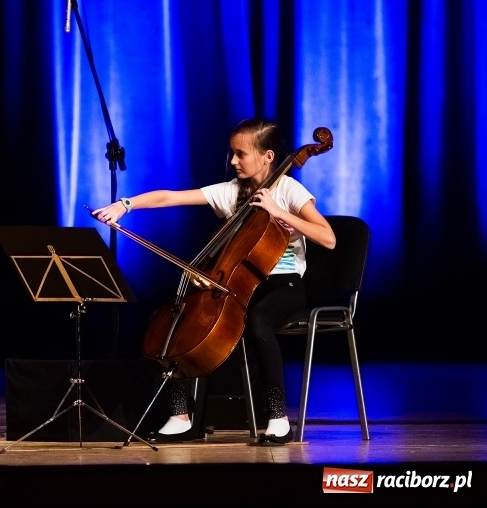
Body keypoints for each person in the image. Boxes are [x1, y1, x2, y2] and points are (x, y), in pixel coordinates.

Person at [91, 118, 336, 445]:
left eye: (241, 154)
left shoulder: (290, 190)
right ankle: (180, 416)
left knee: (258, 323)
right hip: (237, 283)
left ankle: (278, 417)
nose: (233, 161)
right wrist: (125, 205)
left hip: (283, 283)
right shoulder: (231, 192)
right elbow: (170, 198)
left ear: (267, 157)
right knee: (173, 321)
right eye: (231, 153)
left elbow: (328, 238)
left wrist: (281, 212)